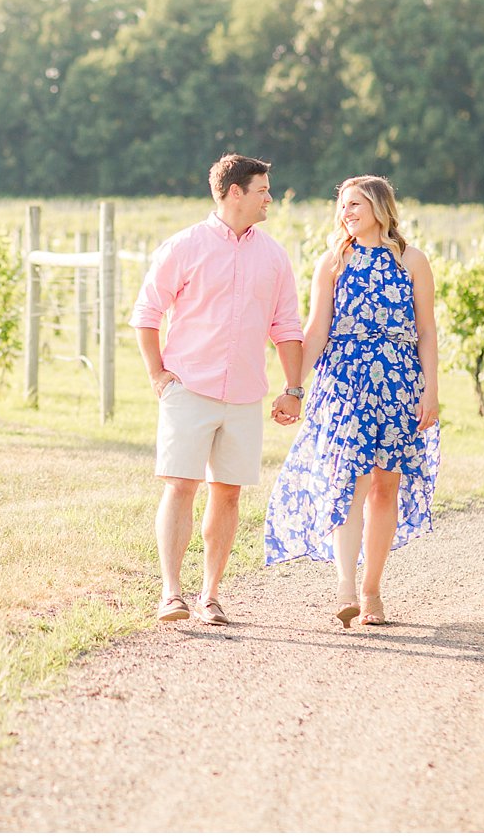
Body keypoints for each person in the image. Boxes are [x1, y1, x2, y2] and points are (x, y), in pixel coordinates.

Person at [129, 154, 304, 626]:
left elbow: (286, 326)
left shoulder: (273, 255)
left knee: (228, 494)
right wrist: (157, 375)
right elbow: (146, 315)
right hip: (188, 388)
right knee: (181, 485)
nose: (270, 197)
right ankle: (171, 593)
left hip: (245, 393)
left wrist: (294, 388)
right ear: (235, 192)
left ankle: (210, 596)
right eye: (263, 189)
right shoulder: (184, 246)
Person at [262, 175, 441, 628]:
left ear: (380, 207)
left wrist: (431, 391)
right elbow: (317, 329)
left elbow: (426, 331)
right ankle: (345, 584)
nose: (347, 212)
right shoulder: (333, 262)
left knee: (386, 486)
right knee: (350, 479)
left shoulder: (412, 260)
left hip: (399, 381)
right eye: (342, 205)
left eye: (356, 204)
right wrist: (294, 386)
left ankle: (372, 590)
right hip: (344, 382)